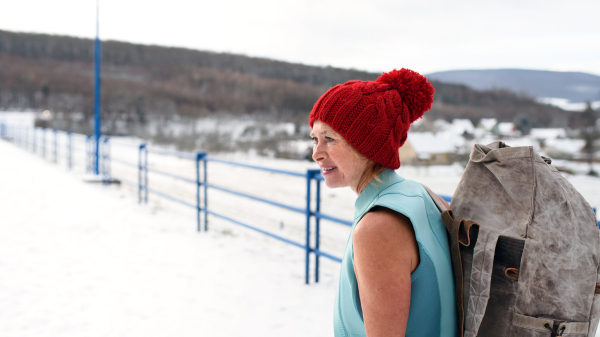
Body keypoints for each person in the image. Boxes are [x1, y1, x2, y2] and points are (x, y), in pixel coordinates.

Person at [308, 69, 457, 337]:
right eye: (315, 139)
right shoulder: (422, 195)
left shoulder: (378, 228)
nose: (316, 154)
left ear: (368, 144)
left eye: (330, 139)